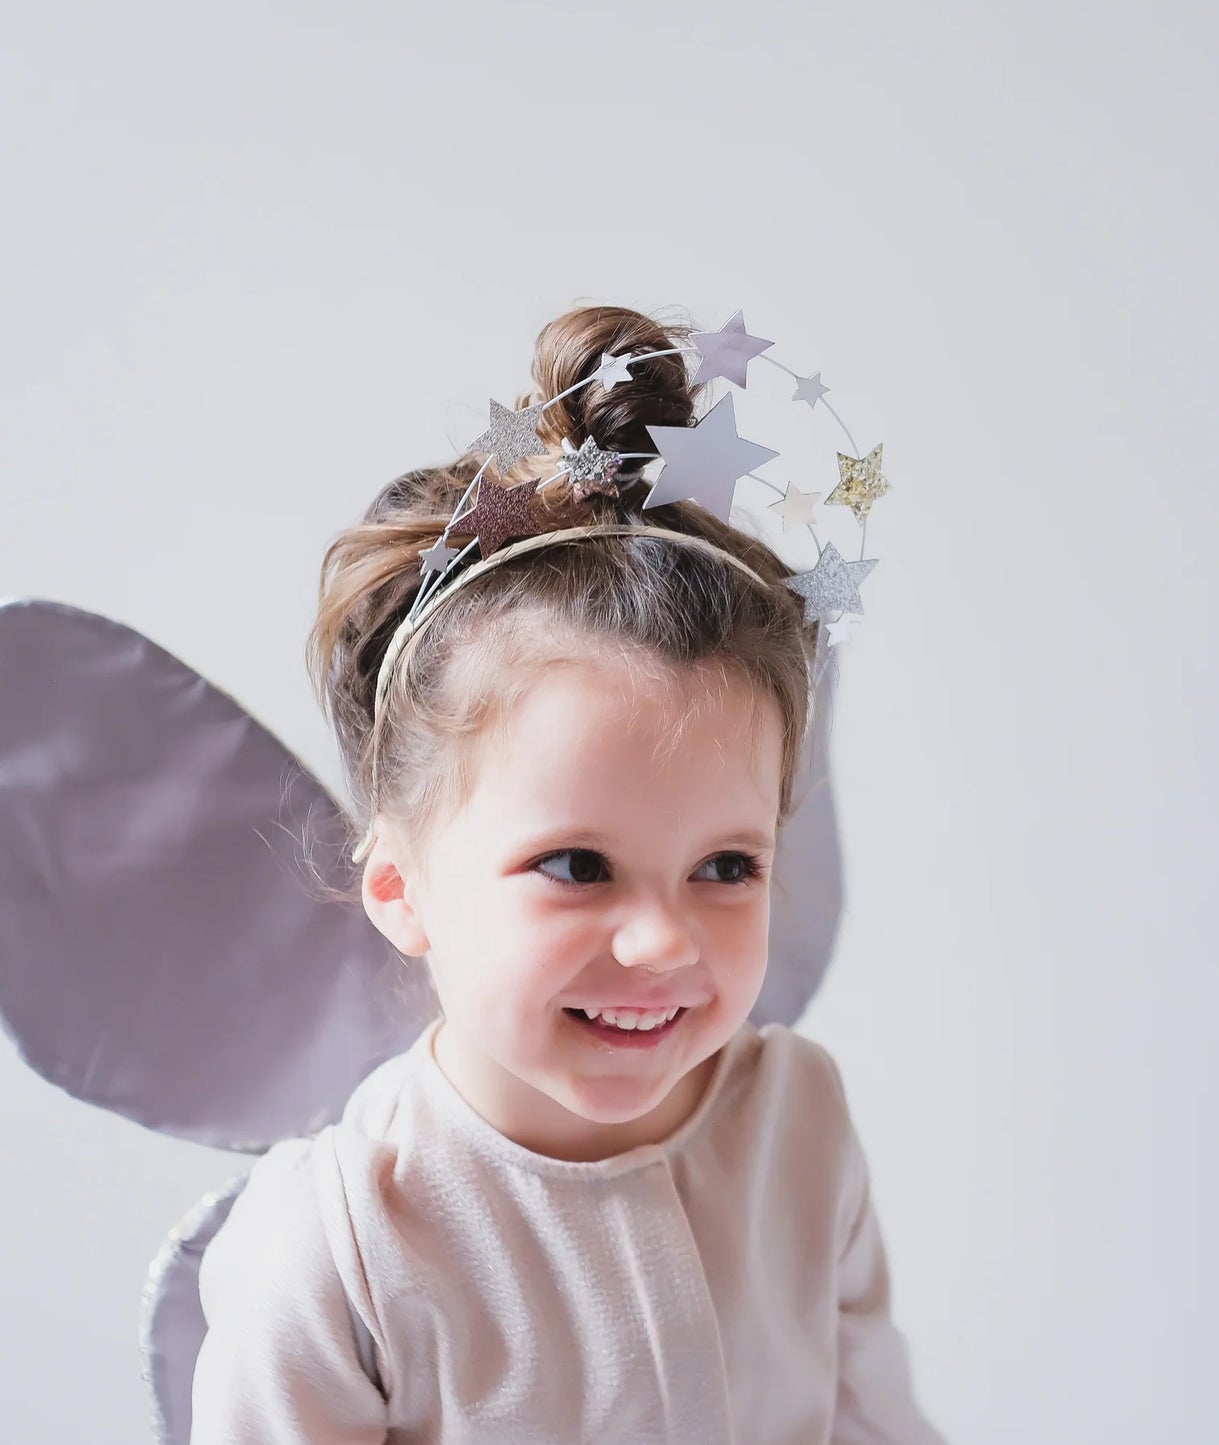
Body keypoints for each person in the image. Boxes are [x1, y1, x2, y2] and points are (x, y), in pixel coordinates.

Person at [188, 304, 945, 1443]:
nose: (663, 940)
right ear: (400, 887)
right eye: (577, 865)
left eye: (727, 864)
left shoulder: (798, 1124)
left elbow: (875, 1420)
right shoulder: (339, 1245)